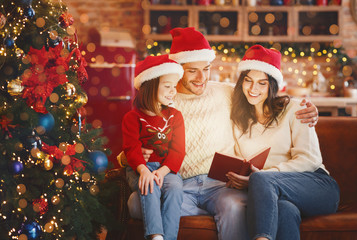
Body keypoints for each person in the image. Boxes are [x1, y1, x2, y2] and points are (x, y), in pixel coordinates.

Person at [126, 27, 320, 240]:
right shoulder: (163, 100)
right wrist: (127, 157)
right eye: (193, 71)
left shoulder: (226, 92)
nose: (202, 78)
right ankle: (208, 212)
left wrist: (305, 108)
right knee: (136, 204)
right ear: (178, 70)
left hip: (220, 183)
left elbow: (262, 94)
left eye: (207, 68)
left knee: (234, 206)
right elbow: (134, 139)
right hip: (181, 183)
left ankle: (219, 211)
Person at [228, 45, 340, 240]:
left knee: (261, 179)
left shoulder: (295, 109)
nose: (253, 89)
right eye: (248, 80)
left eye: (262, 83)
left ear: (272, 86)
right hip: (277, 194)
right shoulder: (239, 119)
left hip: (318, 186)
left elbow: (310, 159)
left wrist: (262, 178)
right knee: (284, 210)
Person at [122, 54, 186, 240]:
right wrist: (144, 171)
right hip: (140, 168)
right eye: (167, 86)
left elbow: (178, 150)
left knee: (174, 189)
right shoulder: (132, 118)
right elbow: (132, 149)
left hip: (167, 170)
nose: (173, 91)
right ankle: (156, 236)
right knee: (149, 186)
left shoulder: (175, 117)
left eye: (174, 87)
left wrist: (163, 171)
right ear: (150, 86)